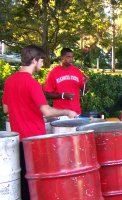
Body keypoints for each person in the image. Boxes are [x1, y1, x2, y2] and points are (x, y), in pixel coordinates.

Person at [2, 45, 78, 200]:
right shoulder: (32, 83)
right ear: (34, 60)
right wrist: (67, 112)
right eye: (42, 60)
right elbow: (47, 111)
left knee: (24, 184)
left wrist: (25, 112)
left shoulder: (9, 81)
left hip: (19, 142)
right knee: (37, 185)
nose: (43, 64)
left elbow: (5, 109)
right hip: (35, 142)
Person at [44, 48, 88, 115]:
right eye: (68, 57)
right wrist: (62, 95)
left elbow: (84, 91)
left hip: (76, 113)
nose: (71, 59)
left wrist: (86, 83)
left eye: (72, 57)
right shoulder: (53, 73)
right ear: (62, 57)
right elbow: (47, 94)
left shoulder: (77, 71)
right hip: (60, 113)